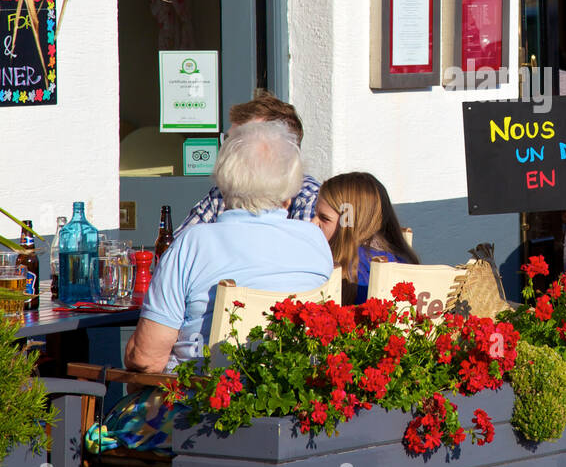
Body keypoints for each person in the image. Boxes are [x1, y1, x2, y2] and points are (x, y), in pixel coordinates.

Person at [127, 121, 333, 373]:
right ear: (289, 191)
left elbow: (147, 359)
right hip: (295, 401)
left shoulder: (194, 243)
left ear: (224, 184)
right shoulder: (314, 240)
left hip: (200, 402)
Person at [175, 90, 321, 236]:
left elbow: (298, 253)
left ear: (283, 147)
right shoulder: (224, 192)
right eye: (229, 140)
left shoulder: (309, 198)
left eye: (244, 142)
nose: (230, 150)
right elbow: (180, 248)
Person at [314, 172, 419, 305]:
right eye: (315, 214)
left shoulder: (356, 268)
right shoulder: (401, 257)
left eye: (324, 218)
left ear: (348, 223)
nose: (313, 223)